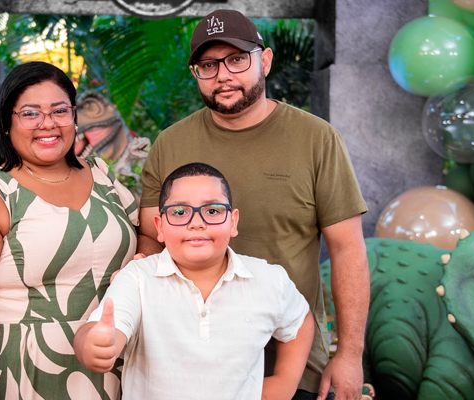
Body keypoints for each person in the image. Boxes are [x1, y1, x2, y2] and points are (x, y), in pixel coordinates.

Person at [137, 10, 370, 400]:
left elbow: (347, 250)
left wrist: (349, 354)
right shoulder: (170, 144)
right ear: (196, 73)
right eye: (208, 65)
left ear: (264, 60)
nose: (223, 75)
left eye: (236, 59)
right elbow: (150, 240)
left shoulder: (317, 139)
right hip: (188, 363)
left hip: (291, 363)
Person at [0, 61, 139, 400]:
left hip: (105, 369)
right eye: (30, 113)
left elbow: (147, 233)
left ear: (74, 116)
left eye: (60, 110)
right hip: (18, 374)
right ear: (6, 121)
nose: (48, 123)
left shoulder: (101, 173)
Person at [75, 162, 314, 400]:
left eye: (212, 211)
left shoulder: (268, 279)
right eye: (179, 212)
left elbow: (300, 321)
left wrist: (285, 382)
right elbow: (101, 331)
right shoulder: (137, 278)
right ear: (159, 227)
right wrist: (94, 345)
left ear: (233, 222)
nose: (196, 222)